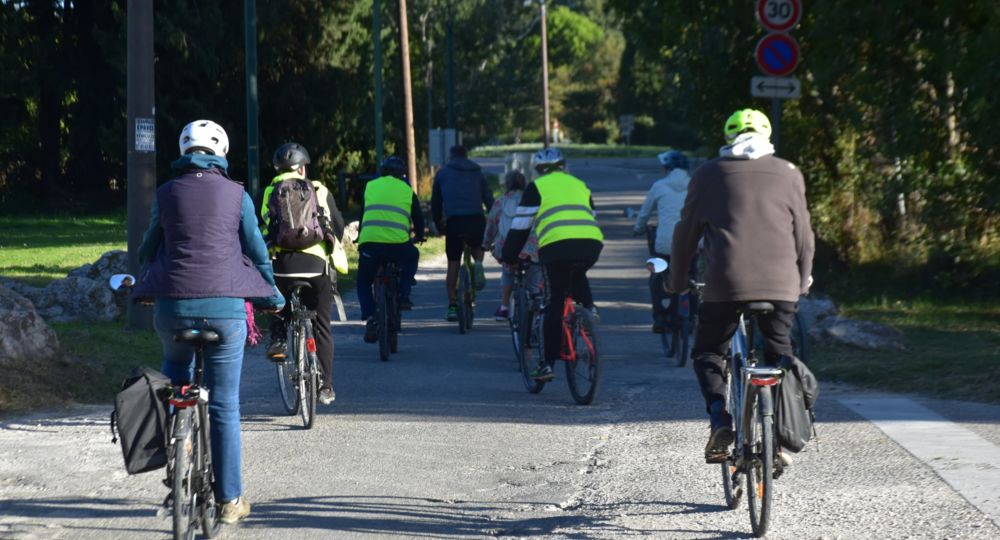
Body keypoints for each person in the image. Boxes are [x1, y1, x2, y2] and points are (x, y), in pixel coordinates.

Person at [133, 119, 285, 524]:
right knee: (224, 405)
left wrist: (148, 284)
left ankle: (174, 445)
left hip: (173, 308)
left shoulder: (165, 193)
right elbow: (256, 250)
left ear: (184, 150)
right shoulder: (237, 195)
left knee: (174, 369)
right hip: (226, 314)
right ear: (222, 152)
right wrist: (271, 295)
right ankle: (230, 500)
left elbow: (149, 247)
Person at [668, 108, 815, 463]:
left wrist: (676, 281)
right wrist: (803, 280)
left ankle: (720, 416)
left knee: (708, 352)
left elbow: (686, 233)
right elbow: (804, 236)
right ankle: (779, 440)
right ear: (767, 137)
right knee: (780, 353)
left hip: (725, 284)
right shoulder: (789, 172)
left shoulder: (707, 174)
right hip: (781, 285)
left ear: (728, 137)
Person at [502, 148, 603, 382]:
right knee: (577, 271)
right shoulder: (580, 185)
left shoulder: (537, 187)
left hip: (556, 247)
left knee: (554, 302)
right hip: (591, 243)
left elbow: (520, 227)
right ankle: (589, 309)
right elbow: (591, 216)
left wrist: (510, 255)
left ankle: (546, 364)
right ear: (563, 166)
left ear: (538, 170)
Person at [261, 142, 345, 406]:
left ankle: (278, 340)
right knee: (321, 324)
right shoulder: (319, 189)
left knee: (280, 306)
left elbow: (262, 226)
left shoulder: (270, 191)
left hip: (282, 265)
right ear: (302, 168)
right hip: (316, 266)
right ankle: (326, 386)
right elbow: (339, 227)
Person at [356, 156, 425, 342]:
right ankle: (403, 295)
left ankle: (370, 317)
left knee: (363, 281)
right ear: (402, 174)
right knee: (412, 256)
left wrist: (360, 236)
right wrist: (420, 235)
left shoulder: (370, 186)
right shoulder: (407, 189)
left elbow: (363, 214)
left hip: (370, 243)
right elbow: (417, 217)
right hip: (398, 246)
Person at [633, 150, 696, 333]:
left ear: (667, 168)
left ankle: (660, 317)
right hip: (692, 243)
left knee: (657, 275)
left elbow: (645, 213)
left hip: (665, 245)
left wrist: (638, 228)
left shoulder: (659, 186)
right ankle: (692, 317)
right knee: (692, 278)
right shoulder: (696, 185)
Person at [431, 145, 494, 321]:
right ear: (466, 155)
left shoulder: (442, 173)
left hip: (454, 222)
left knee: (453, 264)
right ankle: (479, 264)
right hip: (476, 220)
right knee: (476, 246)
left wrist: (438, 223)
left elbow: (436, 202)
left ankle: (452, 305)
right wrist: (493, 218)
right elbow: (488, 198)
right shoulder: (477, 171)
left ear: (450, 157)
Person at [482, 170, 543, 321]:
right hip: (531, 249)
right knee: (535, 281)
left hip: (508, 248)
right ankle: (537, 316)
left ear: (506, 185)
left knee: (508, 271)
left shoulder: (501, 201)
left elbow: (491, 225)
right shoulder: (533, 200)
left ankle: (504, 307)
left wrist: (486, 243)